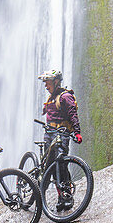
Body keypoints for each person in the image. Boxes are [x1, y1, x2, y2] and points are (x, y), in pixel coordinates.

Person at [38, 68, 82, 211]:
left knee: (61, 164)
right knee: (49, 166)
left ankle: (66, 196)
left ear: (56, 82)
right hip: (49, 133)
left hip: (61, 134)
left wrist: (77, 132)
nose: (46, 86)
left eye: (48, 82)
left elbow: (72, 113)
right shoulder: (51, 97)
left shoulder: (65, 96)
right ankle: (55, 196)